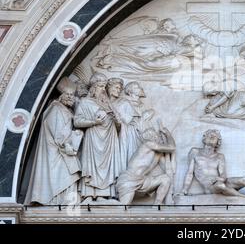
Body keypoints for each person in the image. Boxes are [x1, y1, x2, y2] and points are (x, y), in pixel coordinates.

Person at [182, 129, 245, 205]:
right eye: (209, 135)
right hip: (209, 186)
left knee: (243, 179)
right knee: (220, 186)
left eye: (214, 137)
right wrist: (184, 190)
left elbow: (223, 176)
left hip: (220, 181)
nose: (211, 137)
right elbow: (190, 173)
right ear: (204, 138)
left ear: (218, 143)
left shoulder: (219, 156)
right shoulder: (194, 152)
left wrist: (219, 178)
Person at [26, 77, 83, 205]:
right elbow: (60, 138)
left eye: (72, 95)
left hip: (62, 152)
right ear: (61, 96)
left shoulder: (64, 110)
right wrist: (77, 135)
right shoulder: (56, 109)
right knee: (64, 178)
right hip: (58, 155)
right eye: (67, 95)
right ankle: (57, 201)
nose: (71, 98)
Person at [74, 73, 122, 202]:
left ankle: (106, 195)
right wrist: (94, 122)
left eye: (104, 86)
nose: (103, 89)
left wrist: (116, 119)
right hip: (94, 137)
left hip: (109, 138)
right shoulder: (85, 102)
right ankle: (90, 195)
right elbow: (77, 121)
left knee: (108, 167)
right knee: (92, 166)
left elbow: (119, 126)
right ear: (93, 87)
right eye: (101, 86)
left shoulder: (108, 104)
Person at [116, 126, 176, 205]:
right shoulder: (149, 144)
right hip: (129, 179)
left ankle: (157, 205)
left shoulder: (158, 154)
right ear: (152, 137)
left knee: (165, 179)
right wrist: (168, 134)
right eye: (157, 136)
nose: (159, 138)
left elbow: (168, 169)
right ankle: (102, 203)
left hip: (143, 180)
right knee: (123, 206)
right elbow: (172, 147)